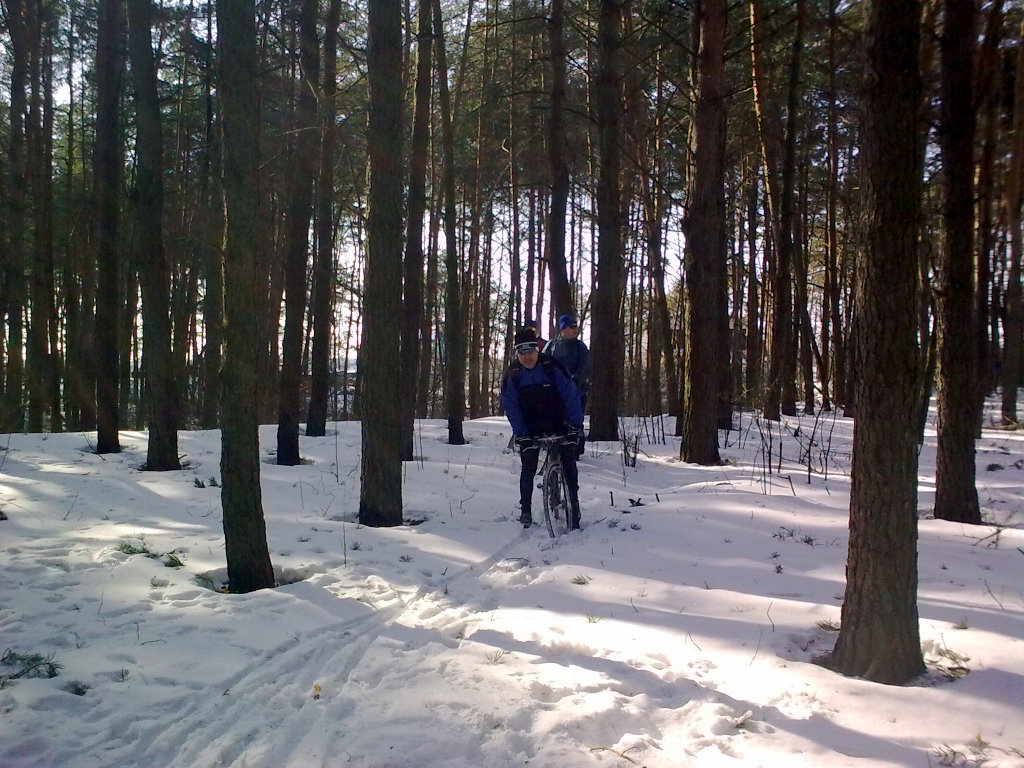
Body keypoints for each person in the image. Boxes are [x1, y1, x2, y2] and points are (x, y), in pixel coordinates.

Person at [500, 328, 584, 530]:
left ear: (537, 349)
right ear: (516, 353)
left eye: (530, 350)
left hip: (559, 420)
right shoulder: (513, 375)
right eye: (521, 352)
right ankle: (526, 510)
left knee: (568, 461)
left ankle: (574, 505)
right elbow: (511, 406)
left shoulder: (552, 367)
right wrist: (521, 433)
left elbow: (571, 396)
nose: (527, 356)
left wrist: (575, 425)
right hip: (531, 425)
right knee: (528, 465)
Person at [543, 314, 590, 455]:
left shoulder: (580, 347)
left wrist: (575, 381)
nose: (575, 330)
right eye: (571, 327)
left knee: (575, 421)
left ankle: (576, 449)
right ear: (563, 329)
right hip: (555, 392)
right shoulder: (552, 345)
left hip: (576, 392)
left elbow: (585, 366)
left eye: (576, 327)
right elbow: (543, 362)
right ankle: (555, 448)